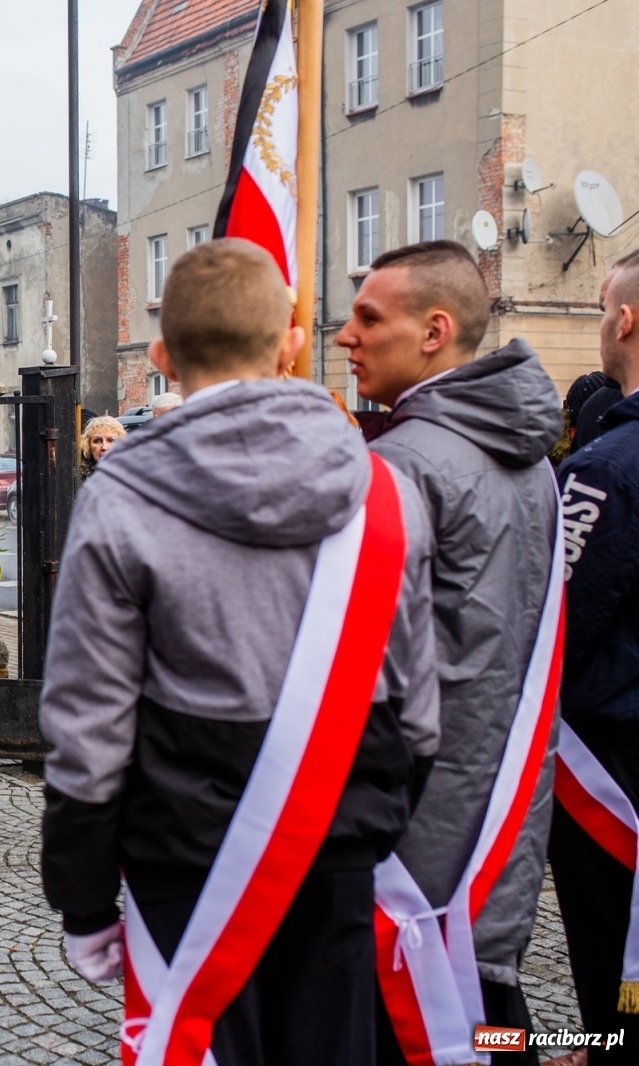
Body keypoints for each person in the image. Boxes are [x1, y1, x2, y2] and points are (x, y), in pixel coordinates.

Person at [41, 239, 439, 1066]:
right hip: (338, 844)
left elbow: (88, 722)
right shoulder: (386, 490)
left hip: (181, 856)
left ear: (160, 356)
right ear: (291, 342)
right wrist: (372, 821)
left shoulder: (119, 497)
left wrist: (82, 895)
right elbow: (418, 703)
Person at [335, 239, 563, 1065]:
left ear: (434, 332)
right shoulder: (532, 460)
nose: (345, 335)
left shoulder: (401, 465)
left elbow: (362, 672)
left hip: (413, 831)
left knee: (426, 1031)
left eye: (369, 318)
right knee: (489, 1022)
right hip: (495, 810)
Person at [548, 250, 639, 1063]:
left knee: (611, 930)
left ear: (626, 320)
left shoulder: (604, 469)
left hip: (608, 757)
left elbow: (559, 623)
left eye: (603, 306)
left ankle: (607, 1044)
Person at [78, 415, 126, 479]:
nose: (104, 447)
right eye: (97, 441)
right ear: (88, 446)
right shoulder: (77, 477)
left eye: (111, 440)